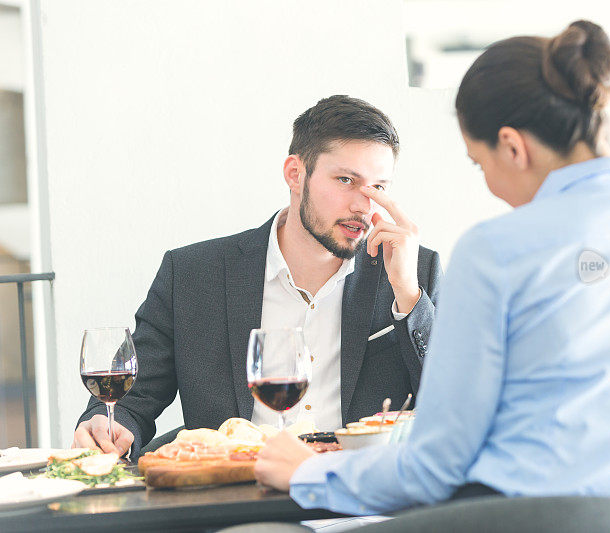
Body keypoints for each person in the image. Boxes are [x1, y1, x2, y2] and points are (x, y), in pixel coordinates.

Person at [252, 20, 610, 514]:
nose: (489, 183)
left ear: (512, 146)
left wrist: (307, 472)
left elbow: (432, 470)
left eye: (479, 163)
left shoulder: (497, 251)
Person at [73, 95, 442, 458]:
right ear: (295, 174)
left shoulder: (412, 273)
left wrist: (408, 297)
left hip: (365, 502)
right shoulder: (193, 275)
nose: (363, 205)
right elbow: (132, 399)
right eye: (346, 180)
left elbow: (451, 407)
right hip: (237, 500)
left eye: (378, 187)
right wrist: (108, 424)